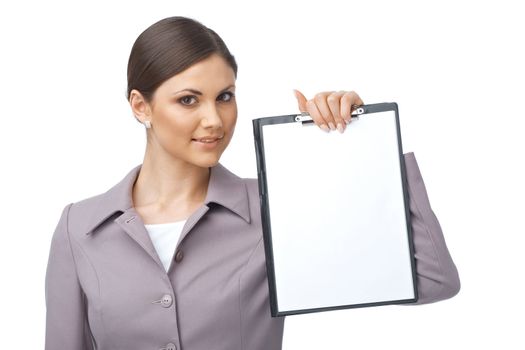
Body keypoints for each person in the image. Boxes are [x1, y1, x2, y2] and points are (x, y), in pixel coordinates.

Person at [44, 16, 460, 350]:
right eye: (189, 99)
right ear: (141, 106)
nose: (215, 119)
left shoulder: (274, 207)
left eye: (224, 96)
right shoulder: (79, 229)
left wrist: (367, 147)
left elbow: (432, 280)